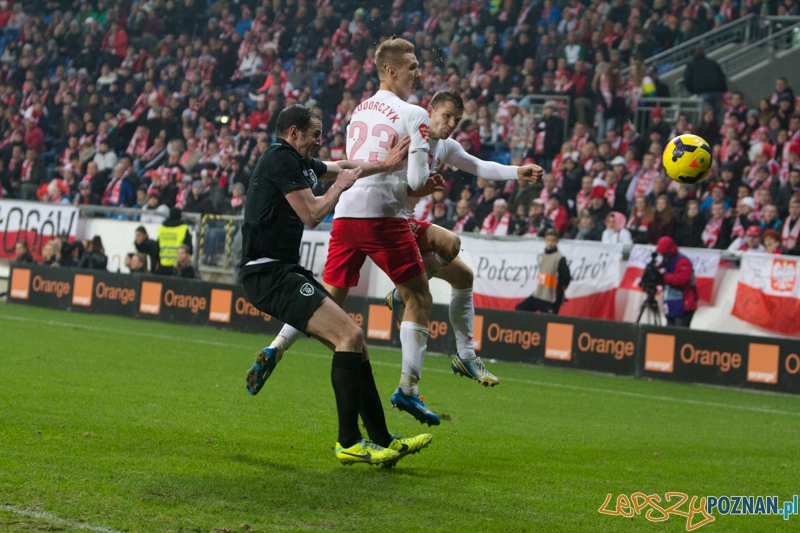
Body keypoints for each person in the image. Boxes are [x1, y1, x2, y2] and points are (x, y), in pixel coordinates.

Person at [240, 105, 430, 467]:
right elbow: (312, 215)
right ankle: (348, 442)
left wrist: (384, 166)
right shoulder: (280, 159)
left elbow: (342, 167)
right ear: (294, 132)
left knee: (356, 348)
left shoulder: (297, 162)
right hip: (267, 274)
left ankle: (383, 441)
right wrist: (340, 190)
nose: (319, 141)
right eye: (315, 134)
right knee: (351, 336)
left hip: (282, 271)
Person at [267, 39, 441, 425]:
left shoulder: (360, 109)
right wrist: (424, 181)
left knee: (329, 300)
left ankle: (275, 347)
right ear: (391, 70)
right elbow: (414, 178)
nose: (418, 72)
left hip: (346, 215)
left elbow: (351, 163)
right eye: (412, 66)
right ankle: (408, 390)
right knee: (419, 296)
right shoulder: (414, 112)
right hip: (383, 215)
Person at [515, 229, 571, 314]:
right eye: (548, 240)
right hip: (539, 294)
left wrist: (559, 293)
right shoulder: (541, 256)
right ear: (544, 241)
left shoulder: (559, 258)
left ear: (557, 242)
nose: (550, 243)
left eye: (553, 240)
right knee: (520, 309)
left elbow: (566, 277)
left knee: (548, 322)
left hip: (551, 298)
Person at [655, 236, 697, 327]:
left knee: (679, 335)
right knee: (669, 334)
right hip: (671, 304)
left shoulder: (682, 261)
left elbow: (683, 279)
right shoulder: (667, 260)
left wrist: (663, 277)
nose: (662, 255)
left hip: (684, 304)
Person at [157, 208, 192, 276]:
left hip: (163, 265)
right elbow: (189, 248)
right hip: (177, 265)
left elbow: (156, 248)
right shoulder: (183, 229)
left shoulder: (162, 229)